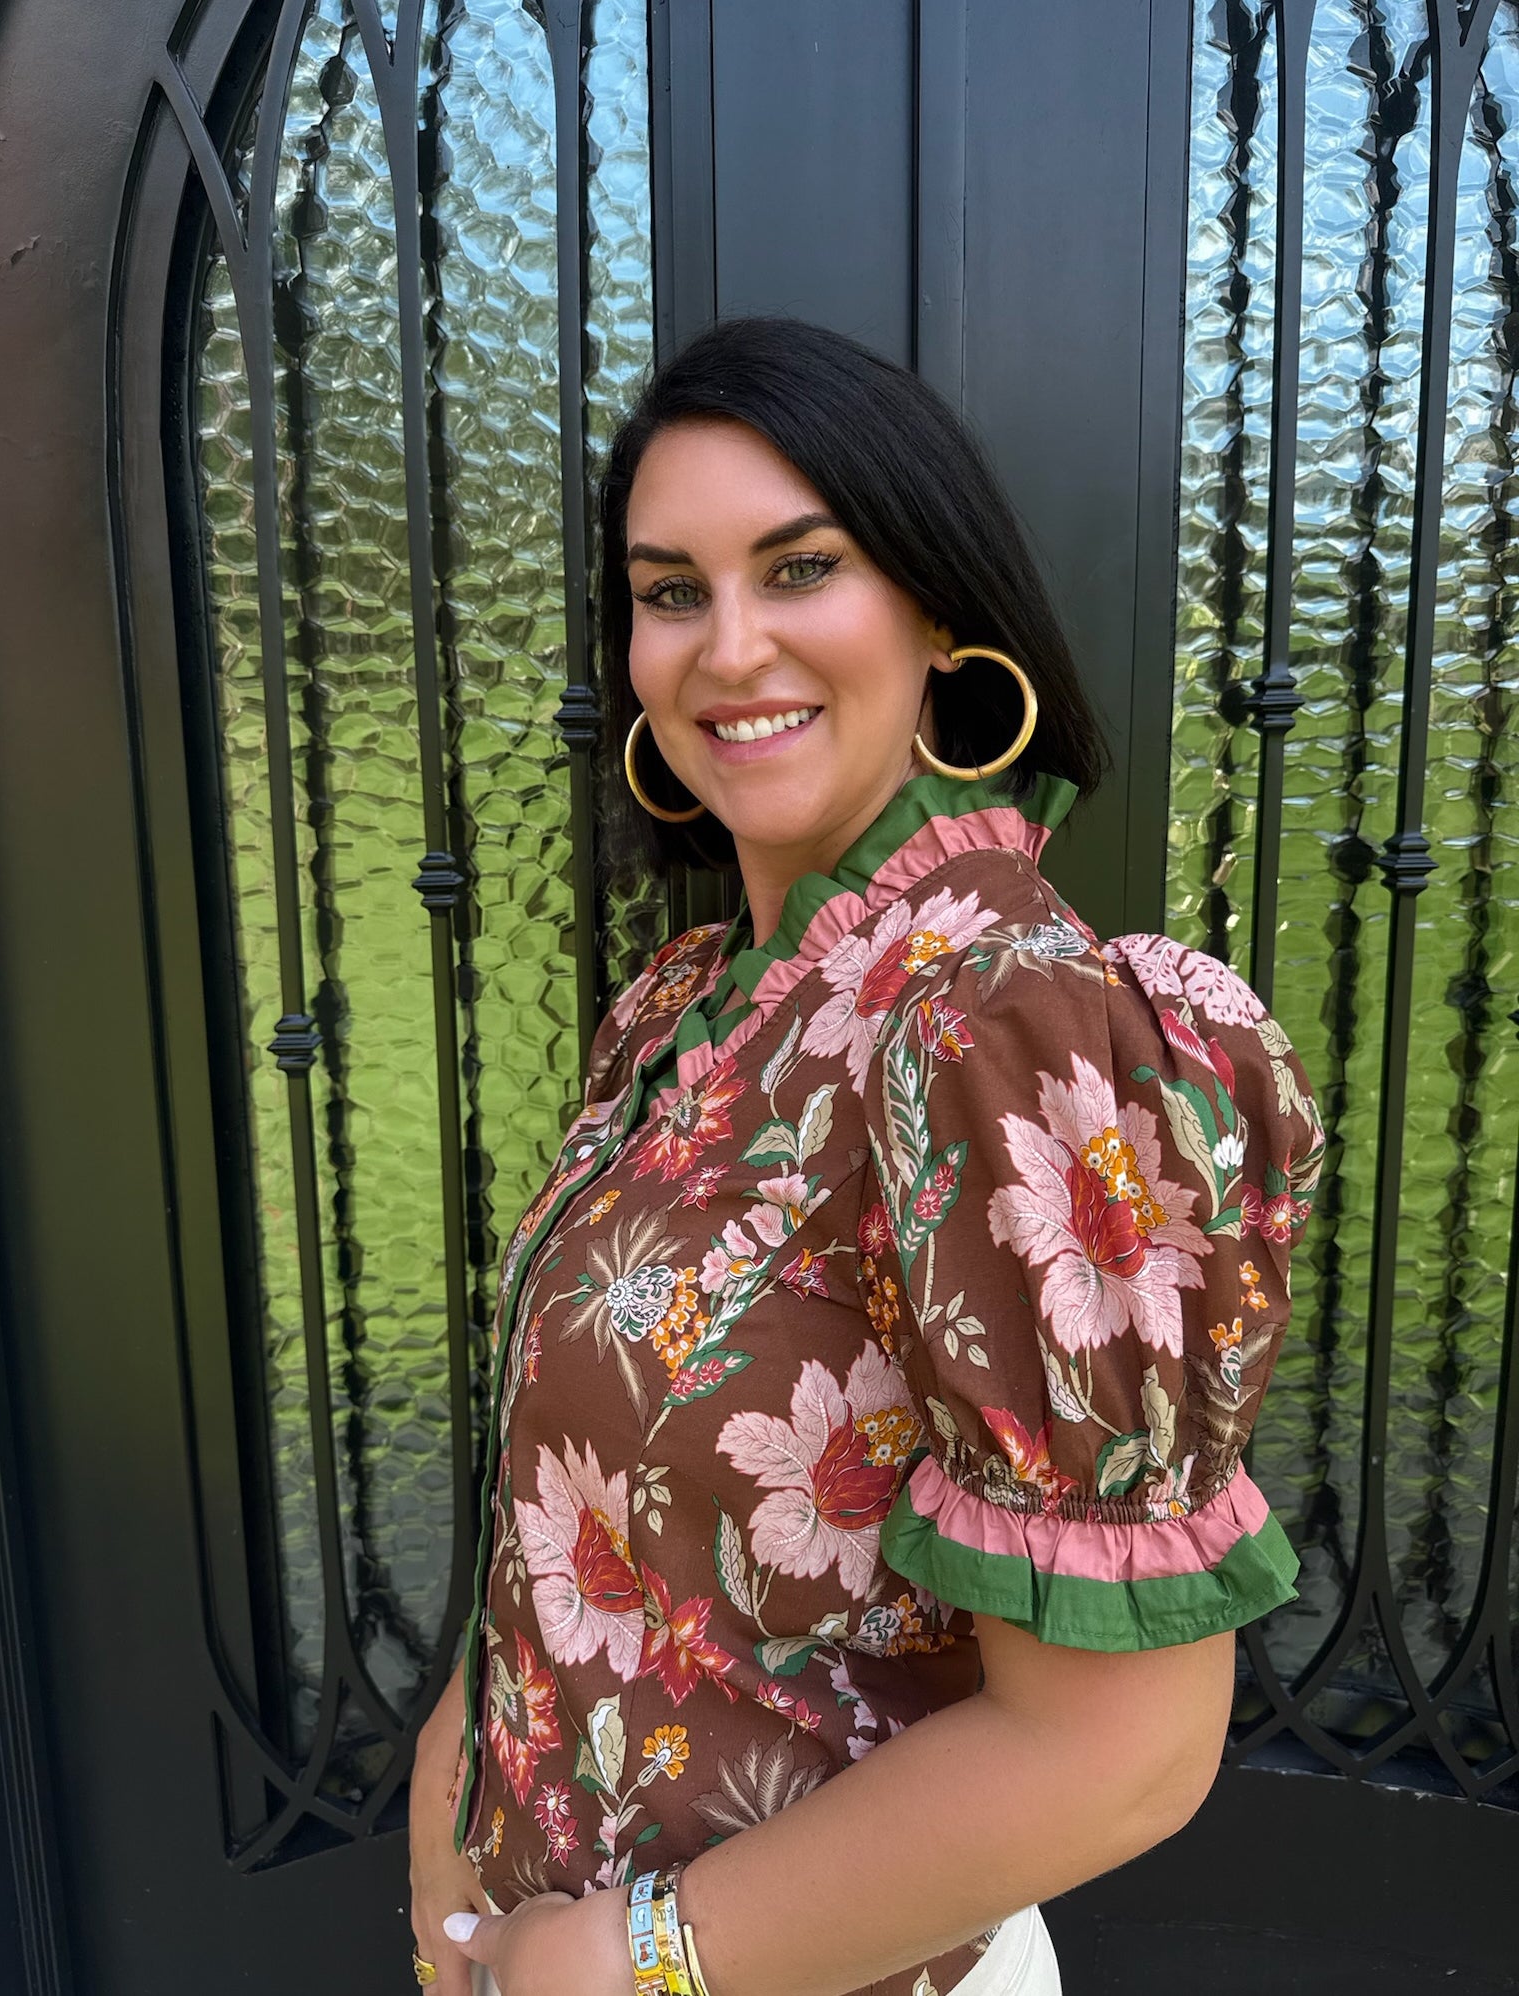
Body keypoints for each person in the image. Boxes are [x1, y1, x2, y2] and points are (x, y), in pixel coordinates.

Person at [407, 316, 1323, 1996]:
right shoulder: (688, 1004)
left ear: (936, 611)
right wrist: (456, 1778)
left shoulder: (998, 1024)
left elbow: (1121, 1752)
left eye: (801, 567)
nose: (728, 647)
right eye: (670, 591)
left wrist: (627, 1966)